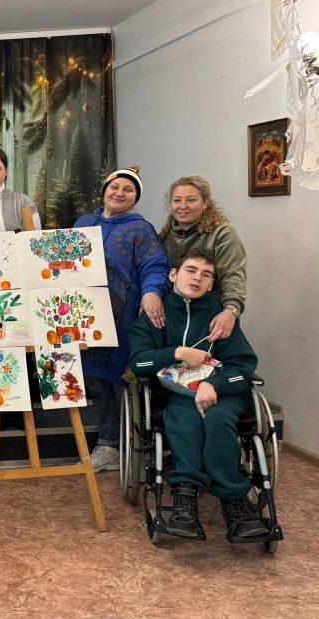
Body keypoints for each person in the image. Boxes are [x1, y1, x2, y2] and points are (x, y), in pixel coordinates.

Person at [129, 248, 267, 540]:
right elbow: (138, 362)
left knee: (218, 419)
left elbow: (244, 365)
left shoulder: (221, 318)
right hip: (177, 394)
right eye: (191, 270)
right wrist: (177, 353)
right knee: (186, 418)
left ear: (211, 283)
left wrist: (214, 384)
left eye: (206, 275)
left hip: (224, 394)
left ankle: (234, 503)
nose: (197, 278)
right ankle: (185, 499)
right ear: (173, 274)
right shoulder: (155, 315)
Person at [74, 167, 170, 473]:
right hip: (83, 316)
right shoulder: (84, 223)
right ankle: (108, 444)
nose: (119, 193)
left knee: (120, 380)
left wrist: (152, 292)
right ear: (104, 190)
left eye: (128, 190)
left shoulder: (140, 229)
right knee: (95, 381)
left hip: (122, 317)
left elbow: (155, 266)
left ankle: (128, 445)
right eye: (115, 187)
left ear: (135, 198)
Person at [159, 174, 247, 341]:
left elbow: (233, 276)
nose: (182, 206)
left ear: (205, 203)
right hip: (173, 320)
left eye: (191, 200)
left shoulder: (223, 234)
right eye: (177, 200)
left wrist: (231, 311)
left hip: (211, 319)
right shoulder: (164, 236)